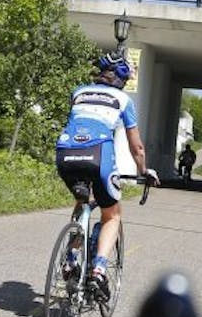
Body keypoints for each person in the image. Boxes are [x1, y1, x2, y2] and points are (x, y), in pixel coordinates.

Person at [53, 50, 159, 301]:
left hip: (65, 153)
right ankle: (99, 270)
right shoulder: (123, 100)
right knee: (112, 214)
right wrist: (144, 171)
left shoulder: (79, 92)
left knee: (83, 202)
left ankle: (70, 260)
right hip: (98, 155)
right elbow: (137, 148)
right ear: (122, 79)